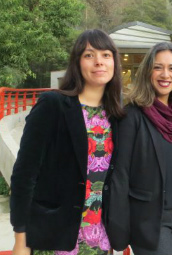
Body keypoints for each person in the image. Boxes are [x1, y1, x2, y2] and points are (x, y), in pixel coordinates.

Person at [10, 29, 125, 255]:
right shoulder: (53, 105)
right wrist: (21, 238)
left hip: (99, 239)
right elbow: (25, 174)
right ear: (77, 63)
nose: (99, 62)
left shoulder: (118, 116)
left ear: (114, 62)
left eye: (106, 55)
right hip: (54, 237)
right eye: (89, 55)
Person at [106, 42, 172, 255]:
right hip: (149, 218)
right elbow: (120, 175)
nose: (165, 74)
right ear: (147, 72)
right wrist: (118, 229)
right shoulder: (131, 116)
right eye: (158, 67)